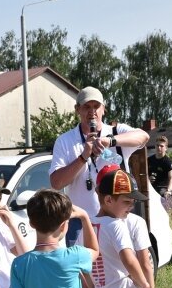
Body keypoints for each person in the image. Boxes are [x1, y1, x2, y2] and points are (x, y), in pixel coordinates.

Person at [49, 86, 149, 246]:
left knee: (120, 269)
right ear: (77, 110)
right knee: (83, 270)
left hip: (116, 218)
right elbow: (56, 183)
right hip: (81, 221)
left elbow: (144, 137)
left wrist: (110, 141)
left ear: (104, 109)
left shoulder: (117, 131)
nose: (92, 111)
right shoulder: (65, 140)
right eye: (86, 107)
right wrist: (83, 156)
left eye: (96, 106)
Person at [147, 135, 172, 202]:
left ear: (166, 148)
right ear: (155, 146)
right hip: (150, 189)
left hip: (162, 191)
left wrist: (168, 190)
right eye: (157, 145)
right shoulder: (149, 160)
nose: (159, 147)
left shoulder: (168, 162)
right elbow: (143, 173)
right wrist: (148, 179)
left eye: (161, 146)